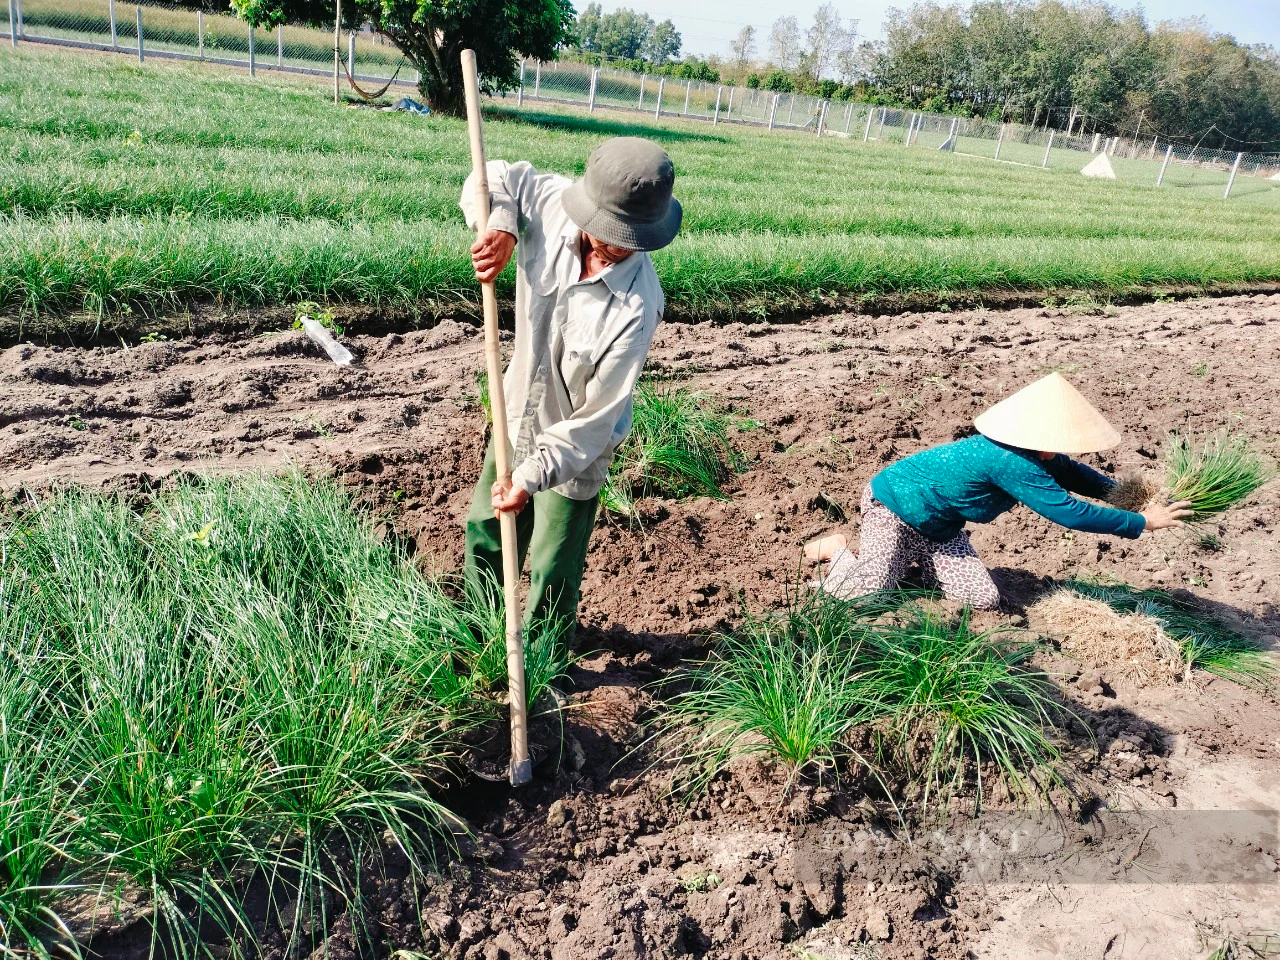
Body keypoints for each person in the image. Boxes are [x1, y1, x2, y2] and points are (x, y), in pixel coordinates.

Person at [459, 137, 682, 634]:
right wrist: (500, 226)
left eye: (628, 235)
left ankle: (545, 660)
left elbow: (594, 421)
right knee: (486, 531)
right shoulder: (553, 206)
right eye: (605, 228)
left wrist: (530, 476)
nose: (612, 243)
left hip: (572, 449)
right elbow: (493, 173)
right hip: (516, 411)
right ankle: (476, 638)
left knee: (552, 566)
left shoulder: (638, 308)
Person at [806, 372, 1192, 610]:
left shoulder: (1039, 452)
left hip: (939, 527)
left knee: (983, 599)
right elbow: (1067, 511)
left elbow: (1076, 477)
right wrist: (1141, 522)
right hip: (893, 507)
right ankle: (838, 550)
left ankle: (908, 564)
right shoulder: (1011, 460)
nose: (1069, 448)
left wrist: (1123, 494)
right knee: (866, 594)